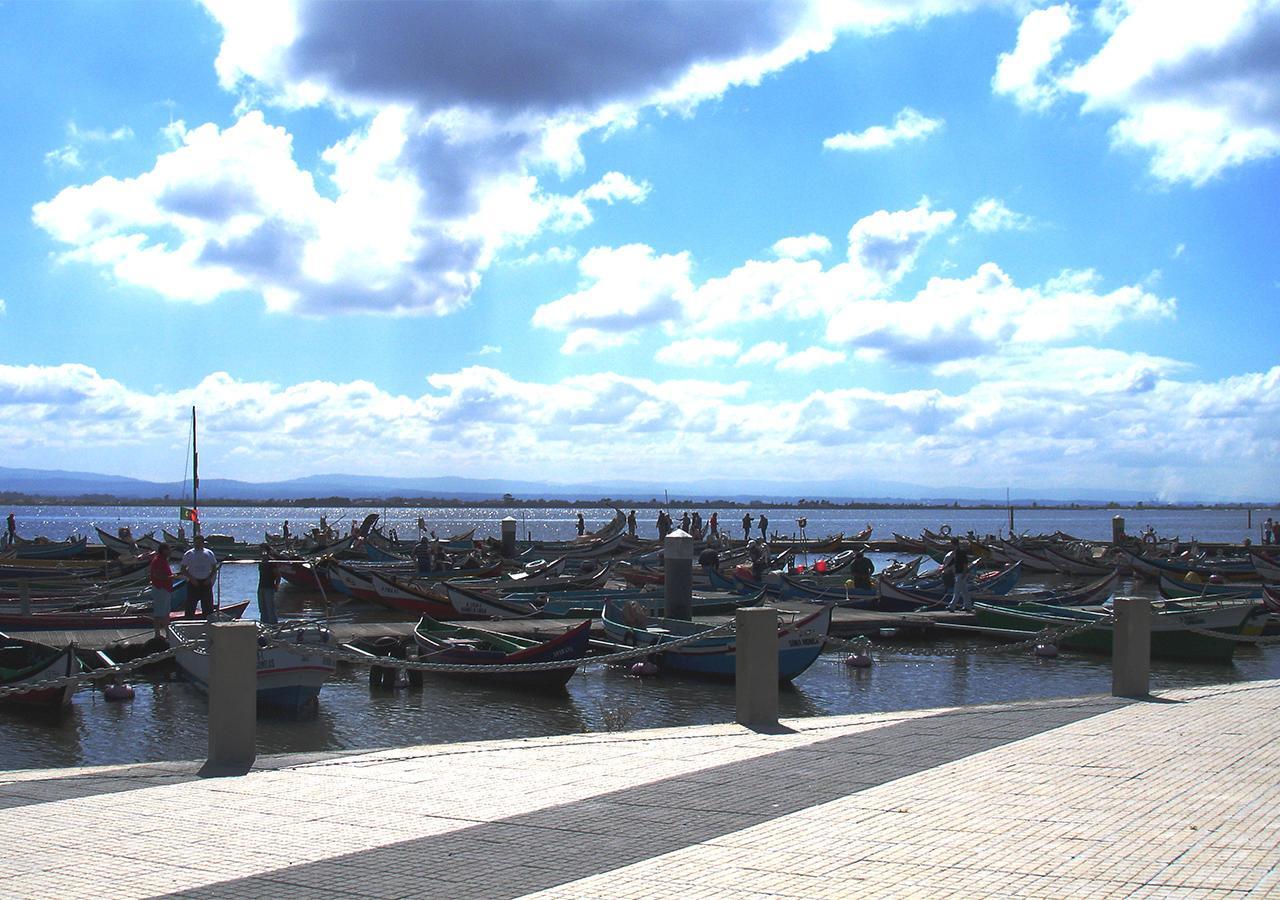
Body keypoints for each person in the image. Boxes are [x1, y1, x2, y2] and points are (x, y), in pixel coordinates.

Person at [180, 532, 218, 619]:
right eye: (196, 542)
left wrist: (209, 579)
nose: (197, 544)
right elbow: (183, 569)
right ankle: (188, 625)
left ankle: (209, 625)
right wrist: (191, 578)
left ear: (203, 542)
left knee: (208, 608)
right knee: (190, 607)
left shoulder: (209, 553)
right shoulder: (189, 554)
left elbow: (214, 568)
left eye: (199, 542)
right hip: (193, 583)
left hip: (205, 582)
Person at [148, 543, 173, 637]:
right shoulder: (158, 560)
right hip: (160, 589)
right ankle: (157, 634)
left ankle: (168, 634)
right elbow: (157, 575)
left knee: (166, 613)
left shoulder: (163, 560)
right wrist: (171, 577)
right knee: (159, 614)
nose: (170, 551)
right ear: (164, 550)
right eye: (169, 549)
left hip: (165, 589)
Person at [943, 538, 971, 612]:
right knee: (964, 591)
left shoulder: (961, 552)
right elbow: (953, 562)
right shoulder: (955, 552)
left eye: (951, 544)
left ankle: (951, 606)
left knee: (957, 591)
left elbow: (965, 564)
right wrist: (945, 567)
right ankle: (968, 606)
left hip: (961, 573)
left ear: (953, 544)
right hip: (958, 573)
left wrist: (964, 574)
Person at [257, 545, 280, 625]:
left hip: (269, 587)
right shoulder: (261, 561)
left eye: (262, 550)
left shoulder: (272, 562)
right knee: (262, 608)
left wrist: (277, 585)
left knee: (270, 608)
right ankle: (264, 624)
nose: (261, 552)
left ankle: (273, 625)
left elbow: (277, 574)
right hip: (261, 587)